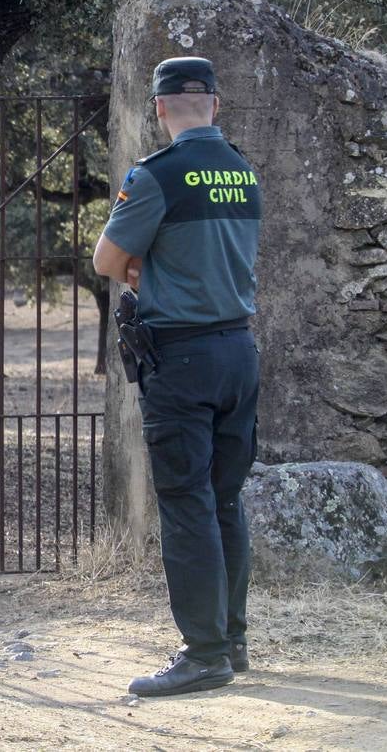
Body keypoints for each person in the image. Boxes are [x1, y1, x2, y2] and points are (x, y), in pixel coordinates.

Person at [92, 56, 263, 697]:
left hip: (182, 359)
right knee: (224, 499)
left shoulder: (157, 176)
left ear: (160, 109)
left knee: (187, 504)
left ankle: (204, 654)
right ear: (215, 104)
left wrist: (142, 264)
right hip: (239, 353)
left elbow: (107, 257)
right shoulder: (244, 173)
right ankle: (234, 641)